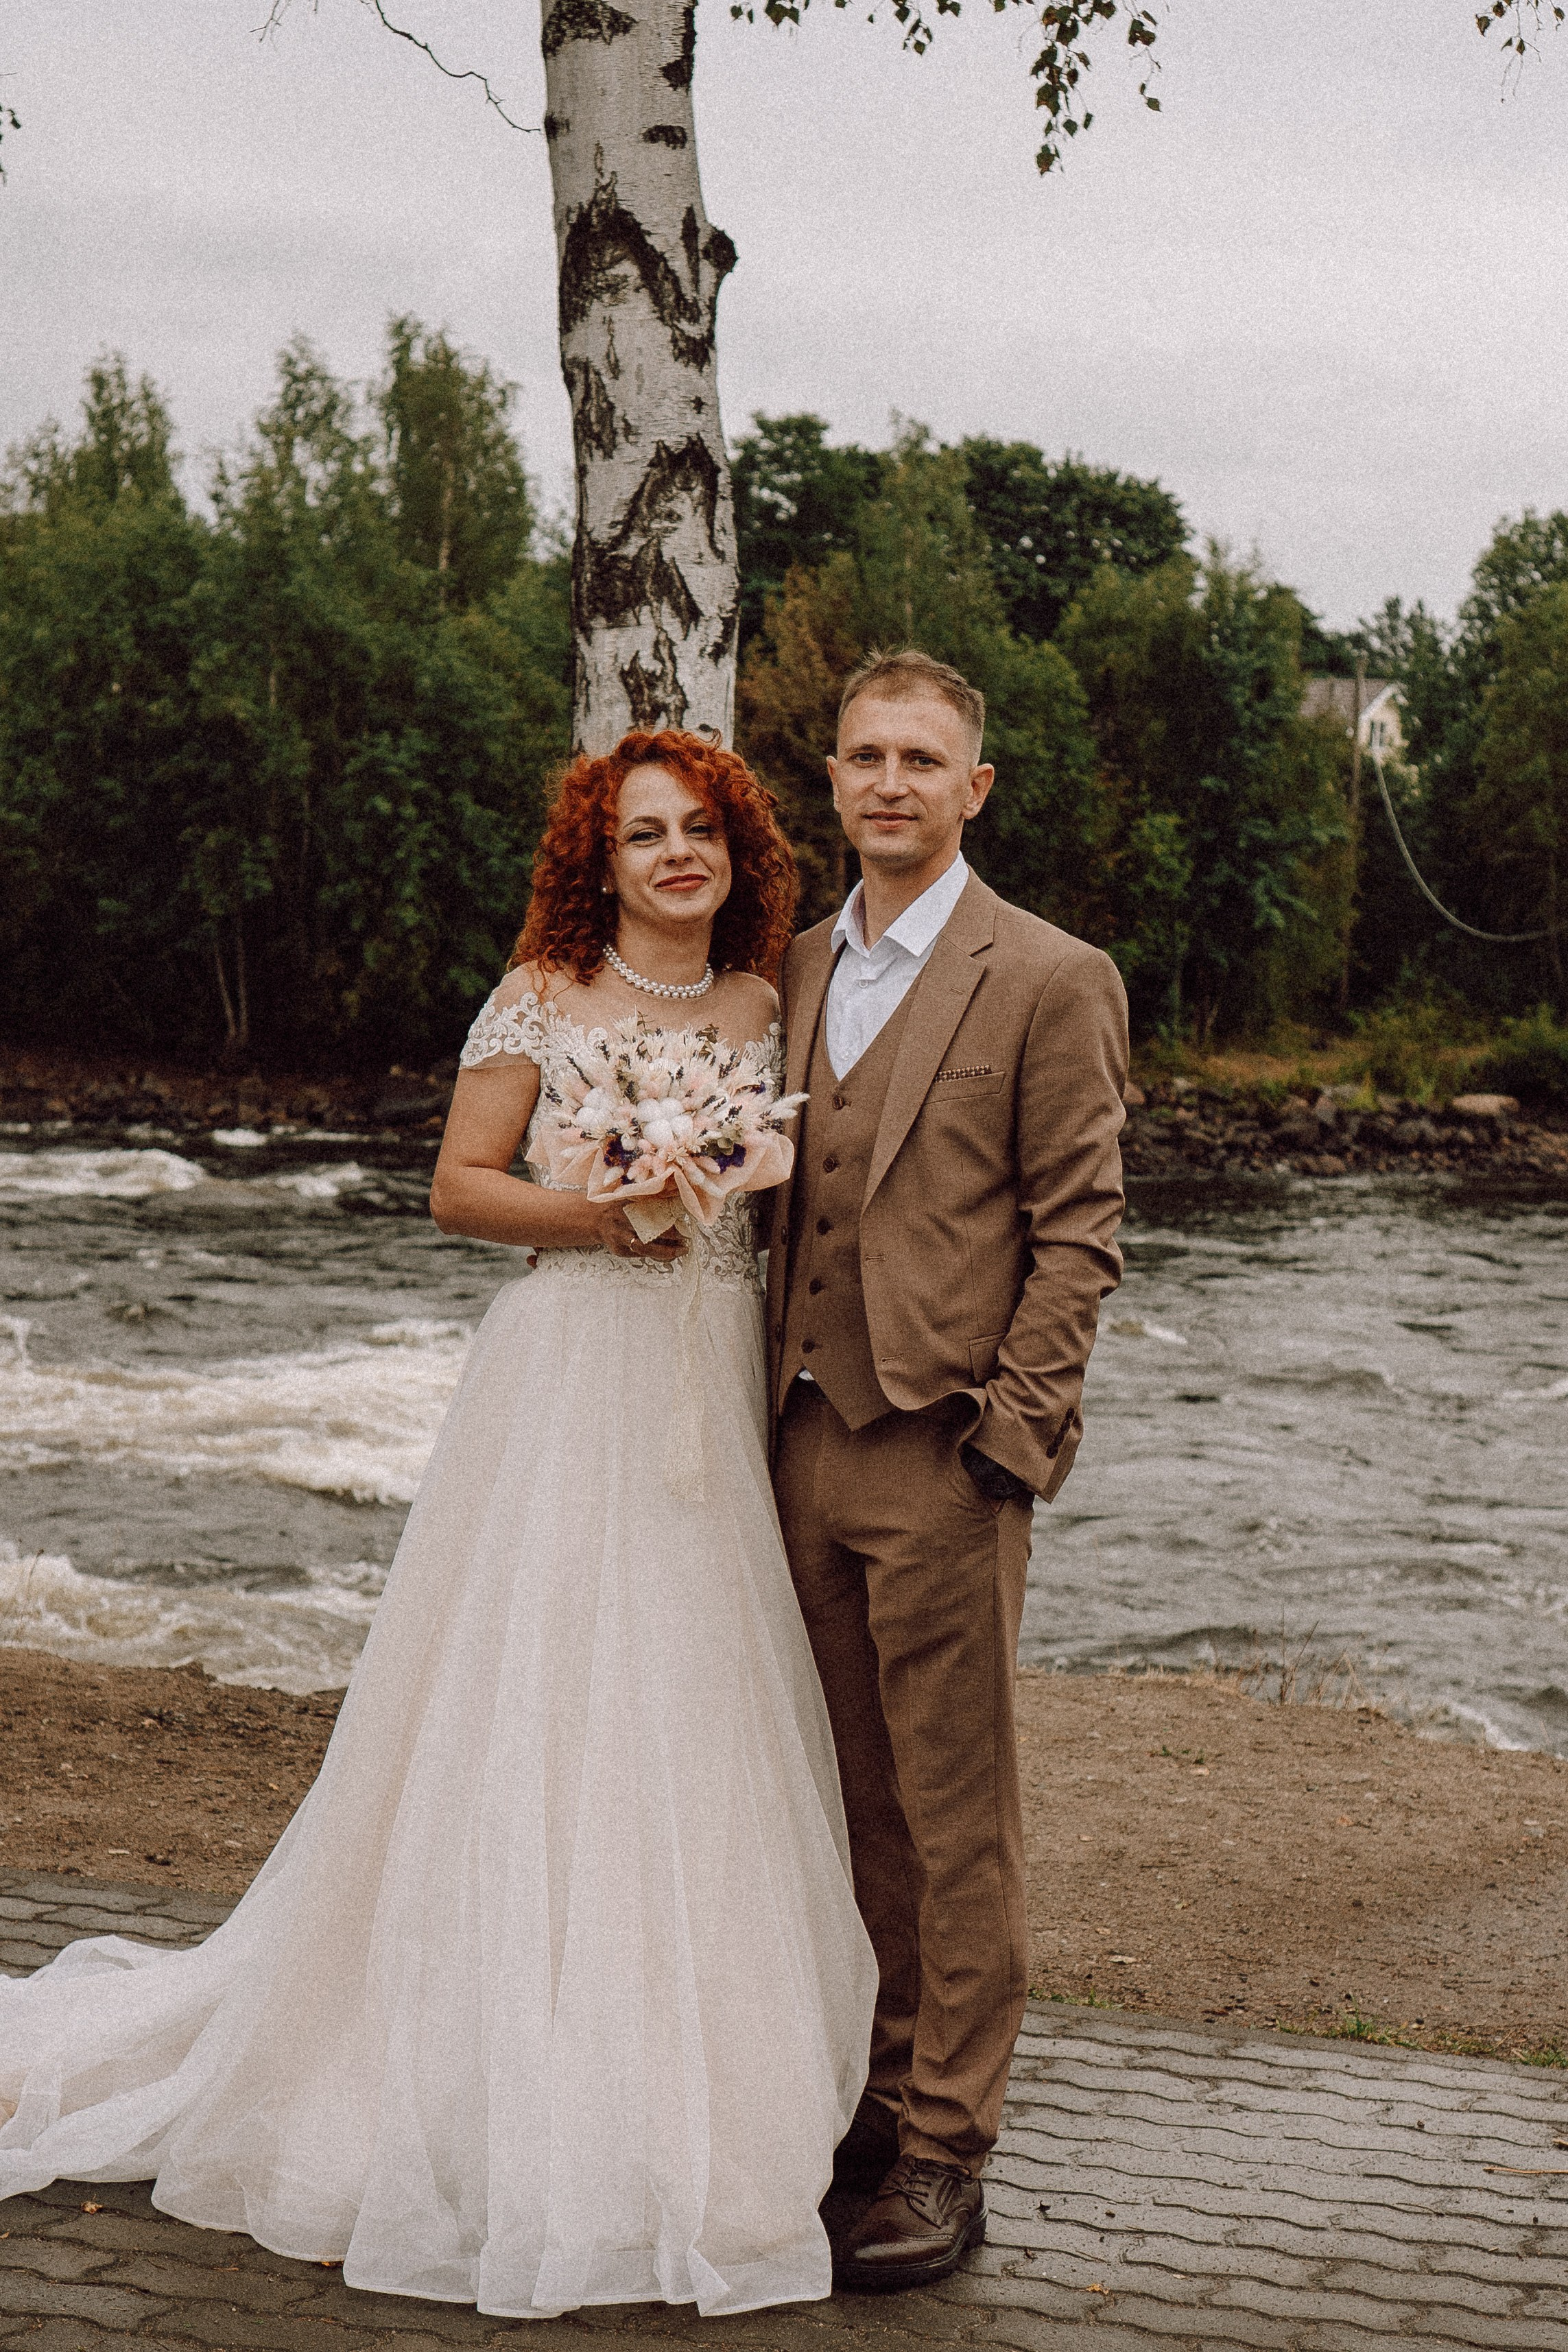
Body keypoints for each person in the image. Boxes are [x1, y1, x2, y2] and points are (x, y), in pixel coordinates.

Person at [0, 730, 877, 2320]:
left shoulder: (767, 1005)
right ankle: (489, 2075)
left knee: (692, 1714)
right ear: (599, 864)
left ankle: (692, 2088)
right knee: (533, 1706)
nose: (676, 856)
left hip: (712, 1400)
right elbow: (459, 1187)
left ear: (741, 849)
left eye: (700, 831)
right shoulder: (541, 992)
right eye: (643, 837)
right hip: (568, 1383)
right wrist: (608, 1203)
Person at [766, 650, 1128, 2292]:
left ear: (974, 787)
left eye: (923, 757)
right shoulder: (783, 968)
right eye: (864, 756)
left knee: (955, 1812)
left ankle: (947, 2146)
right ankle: (867, 2091)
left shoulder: (1050, 976)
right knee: (838, 1799)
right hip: (792, 1447)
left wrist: (1010, 1440)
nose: (891, 781)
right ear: (830, 780)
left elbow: (1081, 1237)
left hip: (942, 1454)